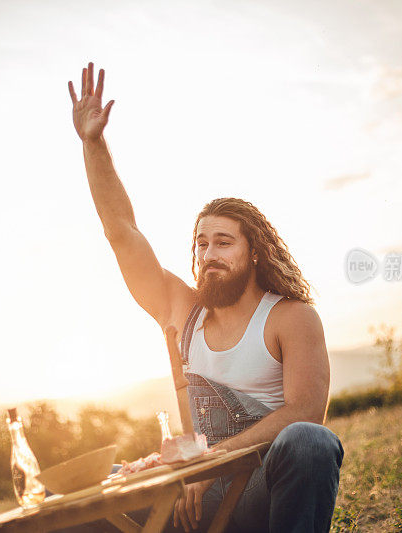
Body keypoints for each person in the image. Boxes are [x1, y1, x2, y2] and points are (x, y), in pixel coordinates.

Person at [67, 62, 344, 533]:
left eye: (223, 242)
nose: (208, 254)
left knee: (309, 442)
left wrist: (208, 460)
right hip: (193, 502)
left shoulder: (289, 317)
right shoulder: (183, 311)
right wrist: (93, 145)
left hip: (257, 495)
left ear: (254, 252)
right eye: (201, 243)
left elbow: (305, 411)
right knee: (76, 494)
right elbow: (122, 233)